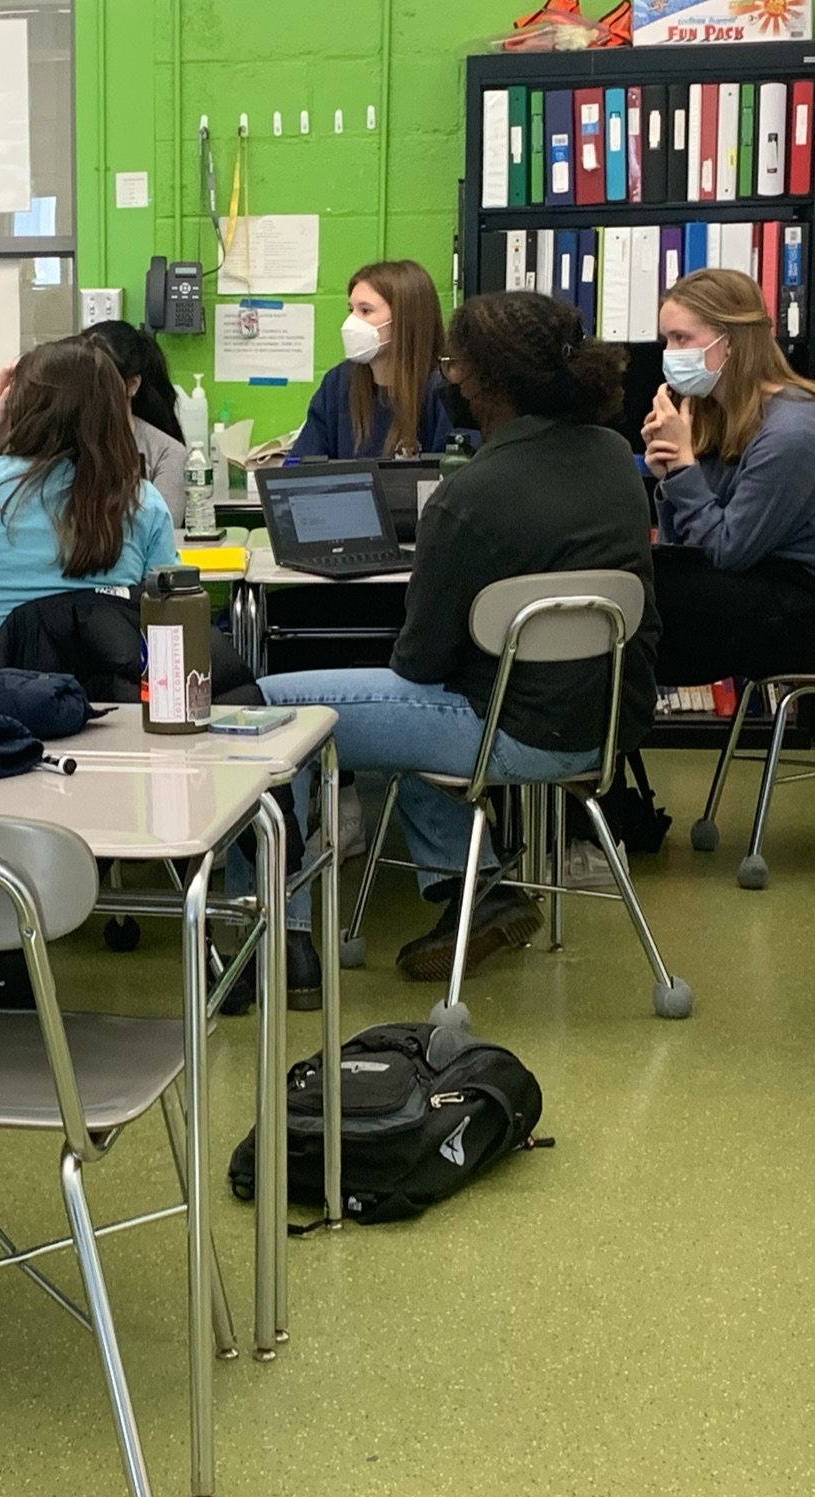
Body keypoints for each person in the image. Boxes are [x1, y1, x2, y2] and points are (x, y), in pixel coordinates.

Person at [258, 290, 660, 984]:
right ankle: (472, 890)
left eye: (456, 364)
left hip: (509, 730)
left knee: (261, 711)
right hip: (606, 720)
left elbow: (418, 661)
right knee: (400, 718)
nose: (449, 377)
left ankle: (283, 938)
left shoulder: (469, 495)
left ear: (486, 382)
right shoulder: (610, 456)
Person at [643, 268, 815, 686]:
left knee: (634, 605)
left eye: (681, 338)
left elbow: (729, 552)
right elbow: (691, 547)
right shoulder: (716, 412)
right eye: (666, 340)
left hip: (811, 608)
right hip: (756, 583)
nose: (670, 353)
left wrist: (683, 472)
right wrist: (669, 477)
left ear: (728, 343)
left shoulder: (794, 433)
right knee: (627, 583)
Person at [0, 336, 177, 660]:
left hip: (1, 694)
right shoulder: (140, 500)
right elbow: (169, 608)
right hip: (111, 699)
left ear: (17, 407)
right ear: (111, 412)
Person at [291, 259, 455, 460]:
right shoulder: (339, 382)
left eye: (366, 310)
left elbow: (455, 478)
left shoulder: (445, 390)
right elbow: (300, 467)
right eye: (351, 310)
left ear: (405, 319)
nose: (351, 323)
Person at [84, 319, 187, 525]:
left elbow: (163, 531)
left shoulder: (166, 452)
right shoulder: (61, 442)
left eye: (100, 382)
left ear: (131, 385)